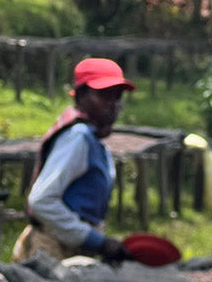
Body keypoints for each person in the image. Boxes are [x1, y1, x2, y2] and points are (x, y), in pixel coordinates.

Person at [12, 57, 134, 264]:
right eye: (104, 95)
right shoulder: (78, 136)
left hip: (73, 247)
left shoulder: (95, 140)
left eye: (117, 97)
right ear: (81, 95)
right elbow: (41, 200)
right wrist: (96, 241)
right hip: (53, 248)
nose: (112, 104)